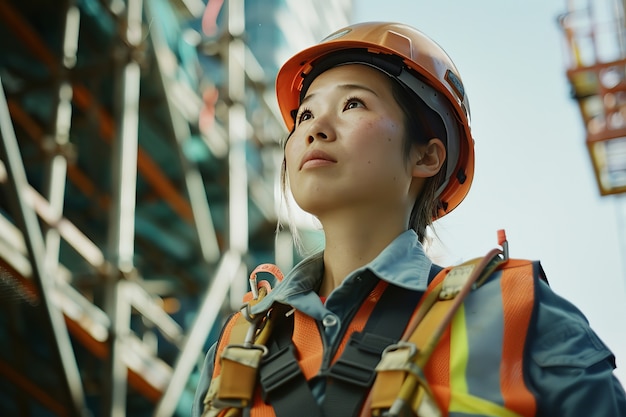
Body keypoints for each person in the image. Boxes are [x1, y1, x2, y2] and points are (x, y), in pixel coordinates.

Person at [192, 21, 626, 417]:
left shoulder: (517, 309)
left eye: (353, 104)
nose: (315, 128)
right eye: (305, 113)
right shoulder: (237, 345)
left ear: (427, 156)